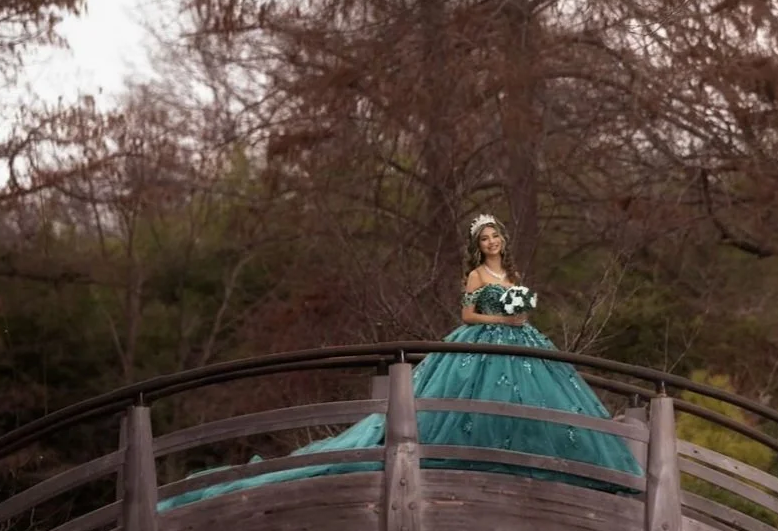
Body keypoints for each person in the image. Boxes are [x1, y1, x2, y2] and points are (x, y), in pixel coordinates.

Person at [161, 214, 641, 510]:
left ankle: (547, 462)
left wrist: (517, 314)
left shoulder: (511, 273)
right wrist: (494, 312)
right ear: (479, 245)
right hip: (481, 338)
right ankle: (475, 458)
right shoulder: (476, 273)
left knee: (537, 399)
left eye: (497, 237)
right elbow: (466, 312)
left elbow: (525, 309)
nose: (492, 243)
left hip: (520, 341)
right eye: (486, 238)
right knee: (463, 407)